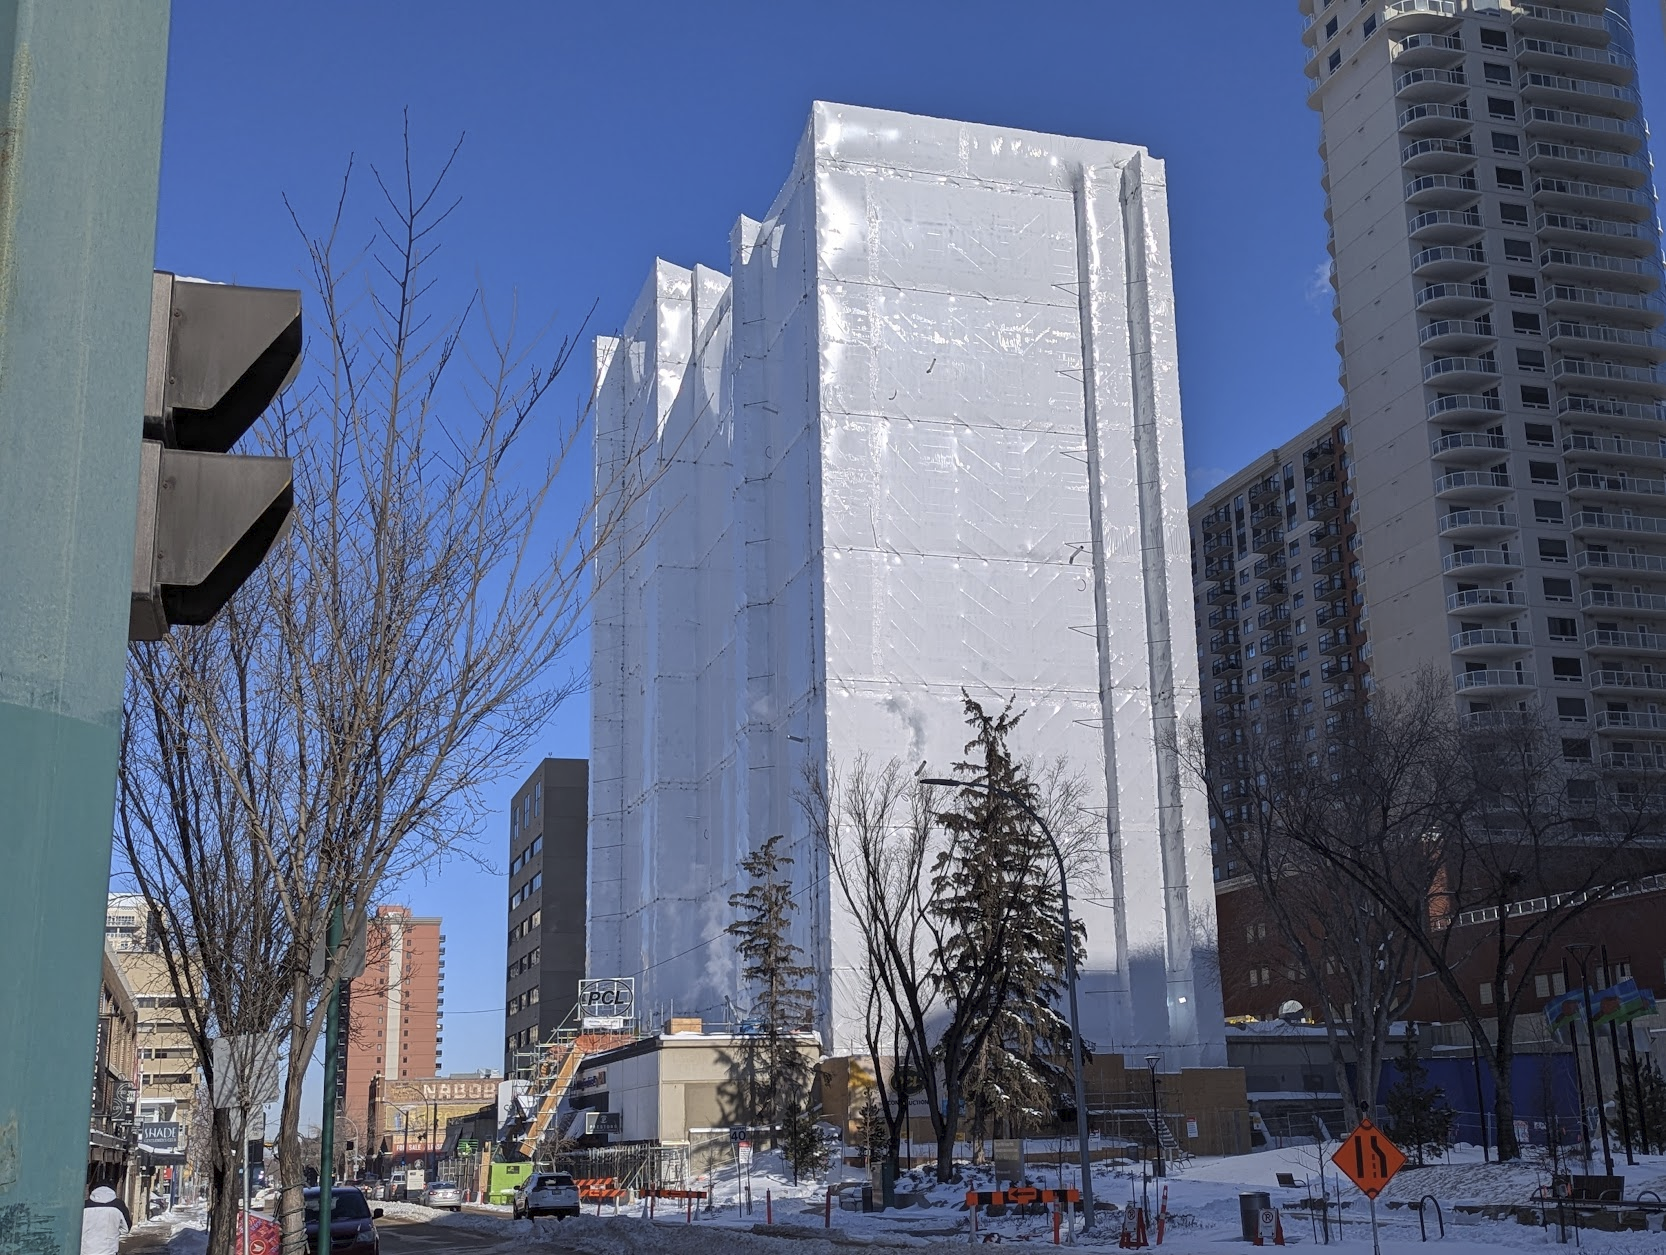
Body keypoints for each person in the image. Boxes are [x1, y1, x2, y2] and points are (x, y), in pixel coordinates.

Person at [81, 1185, 131, 1255]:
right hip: (108, 1251)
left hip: (86, 1250)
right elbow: (126, 1228)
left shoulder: (84, 1205)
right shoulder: (118, 1205)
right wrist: (114, 1231)